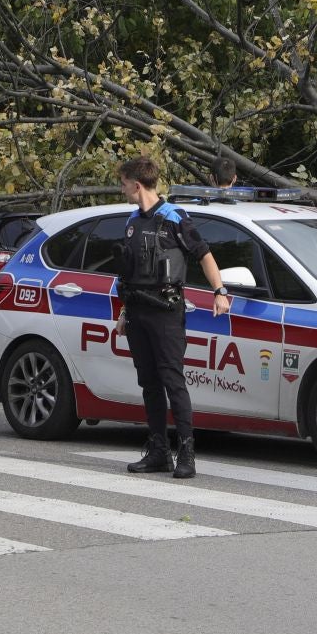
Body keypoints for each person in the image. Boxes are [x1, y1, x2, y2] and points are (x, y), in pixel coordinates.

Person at [115, 156, 230, 480]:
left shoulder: (173, 218)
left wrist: (219, 291)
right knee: (149, 384)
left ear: (137, 185)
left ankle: (187, 454)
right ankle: (158, 452)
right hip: (138, 311)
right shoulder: (132, 222)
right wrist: (124, 312)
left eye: (123, 184)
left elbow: (204, 255)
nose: (122, 189)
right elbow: (130, 272)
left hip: (166, 311)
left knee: (172, 381)